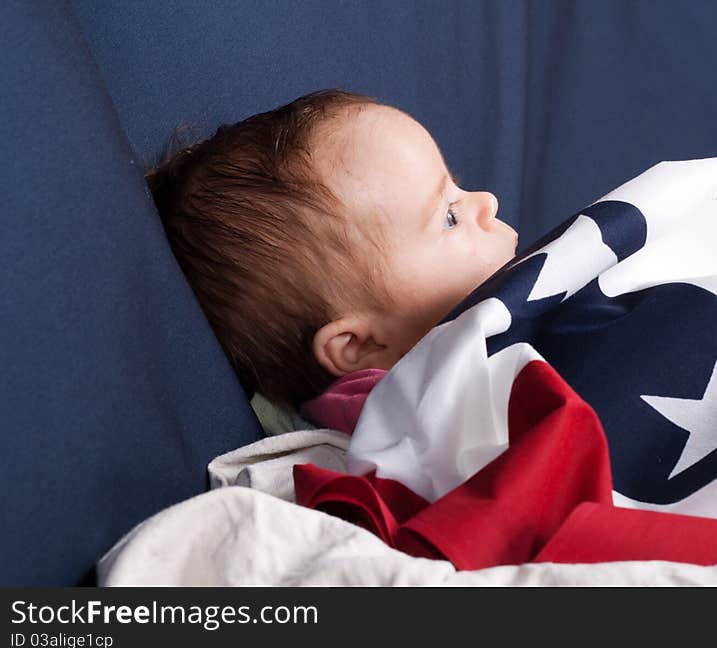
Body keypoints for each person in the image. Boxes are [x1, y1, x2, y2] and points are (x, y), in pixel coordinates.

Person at [147, 89, 518, 427]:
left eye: (457, 186)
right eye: (449, 217)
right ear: (360, 347)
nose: (487, 201)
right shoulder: (431, 431)